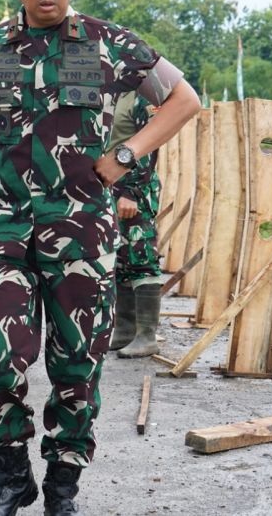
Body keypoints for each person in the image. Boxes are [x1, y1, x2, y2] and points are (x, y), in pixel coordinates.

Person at [0, 0, 201, 516]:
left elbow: (184, 100)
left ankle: (62, 486)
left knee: (76, 363)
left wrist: (126, 156)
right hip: (1, 227)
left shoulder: (109, 44)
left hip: (81, 229)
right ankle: (11, 477)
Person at [105, 94, 166, 357]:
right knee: (120, 257)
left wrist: (131, 191)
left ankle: (146, 335)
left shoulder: (140, 97)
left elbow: (150, 145)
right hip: (110, 186)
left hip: (133, 187)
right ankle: (125, 328)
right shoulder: (108, 90)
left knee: (141, 255)